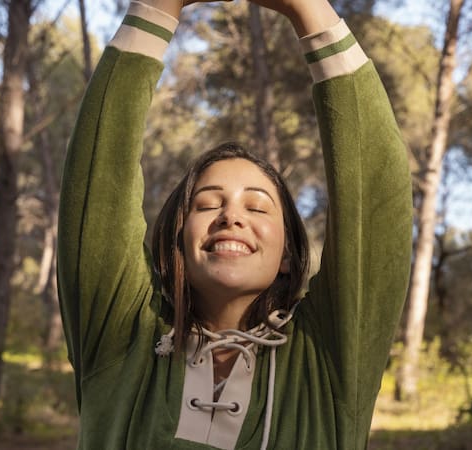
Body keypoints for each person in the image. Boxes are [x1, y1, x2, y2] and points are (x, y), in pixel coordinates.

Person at [57, 0, 412, 448]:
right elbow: (98, 187)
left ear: (287, 255)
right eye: (207, 204)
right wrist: (157, 7)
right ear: (178, 241)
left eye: (258, 207)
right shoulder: (123, 338)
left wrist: (310, 10)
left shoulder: (328, 361)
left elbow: (377, 203)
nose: (231, 216)